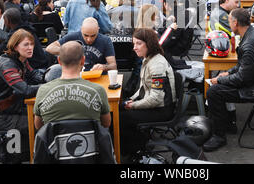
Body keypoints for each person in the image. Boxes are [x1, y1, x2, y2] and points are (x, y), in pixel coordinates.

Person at [203, 8, 254, 152]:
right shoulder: (253, 34)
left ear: (236, 22)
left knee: (214, 92)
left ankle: (219, 135)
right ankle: (227, 124)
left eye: (229, 21)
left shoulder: (250, 43)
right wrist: (227, 73)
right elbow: (241, 66)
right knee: (221, 84)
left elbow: (242, 79)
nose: (229, 24)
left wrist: (220, 80)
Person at [0, 29, 42, 158]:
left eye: (31, 44)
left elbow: (35, 76)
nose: (30, 48)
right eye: (26, 45)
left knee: (45, 114)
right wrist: (49, 87)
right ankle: (16, 155)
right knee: (41, 122)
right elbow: (25, 90)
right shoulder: (7, 64)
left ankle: (30, 152)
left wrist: (55, 77)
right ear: (15, 46)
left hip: (11, 109)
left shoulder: (21, 60)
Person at [120, 28, 176, 156]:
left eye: (138, 43)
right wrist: (129, 101)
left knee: (121, 118)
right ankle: (129, 146)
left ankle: (135, 150)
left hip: (162, 110)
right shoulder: (149, 59)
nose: (134, 47)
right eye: (134, 44)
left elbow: (156, 99)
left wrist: (132, 105)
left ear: (149, 44)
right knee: (118, 109)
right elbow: (142, 90)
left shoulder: (156, 64)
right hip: (156, 105)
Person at [34, 41, 111, 130]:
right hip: (90, 143)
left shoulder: (43, 91)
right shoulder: (98, 91)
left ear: (59, 61)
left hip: (54, 143)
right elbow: (106, 123)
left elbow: (38, 126)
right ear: (83, 60)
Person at [45, 17, 117, 82]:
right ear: (81, 29)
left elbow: (113, 65)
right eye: (85, 35)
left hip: (97, 78)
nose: (89, 39)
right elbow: (49, 48)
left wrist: (104, 67)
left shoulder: (105, 40)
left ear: (98, 30)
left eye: (93, 36)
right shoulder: (73, 36)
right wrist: (67, 51)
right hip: (74, 79)